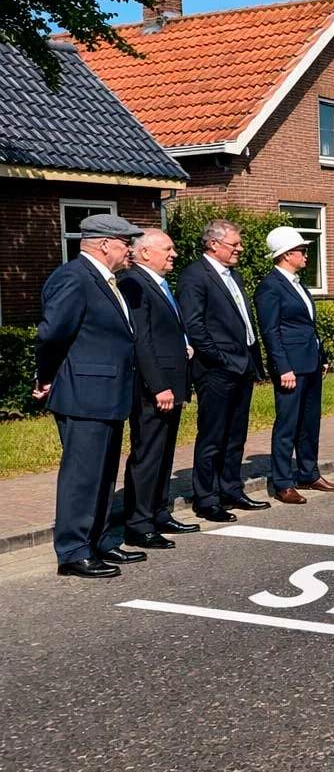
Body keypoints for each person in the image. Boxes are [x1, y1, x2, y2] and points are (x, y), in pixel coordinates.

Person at [33, 214, 146, 578]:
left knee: (102, 474)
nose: (130, 250)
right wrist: (45, 376)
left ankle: (96, 541)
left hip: (108, 392)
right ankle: (72, 551)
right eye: (125, 243)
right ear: (104, 244)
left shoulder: (109, 281)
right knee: (83, 476)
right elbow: (52, 335)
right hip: (84, 392)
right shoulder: (73, 277)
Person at [179, 219, 270, 523]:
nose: (240, 249)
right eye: (235, 244)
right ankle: (206, 498)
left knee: (235, 435)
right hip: (216, 370)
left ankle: (231, 488)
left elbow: (244, 320)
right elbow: (194, 325)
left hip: (242, 366)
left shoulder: (235, 276)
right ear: (214, 244)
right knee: (213, 436)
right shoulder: (195, 276)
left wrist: (251, 361)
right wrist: (221, 359)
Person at [116, 228, 198, 551]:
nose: (174, 253)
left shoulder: (159, 283)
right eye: (168, 248)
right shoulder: (134, 282)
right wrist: (159, 385)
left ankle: (158, 512)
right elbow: (142, 339)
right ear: (145, 252)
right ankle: (138, 523)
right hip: (155, 388)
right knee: (148, 453)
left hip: (172, 384)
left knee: (164, 453)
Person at [256, 226, 334, 505]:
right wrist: (282, 367)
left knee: (309, 422)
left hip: (311, 362)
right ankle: (282, 482)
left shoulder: (297, 284)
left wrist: (323, 356)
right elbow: (271, 332)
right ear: (286, 255)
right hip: (291, 367)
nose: (306, 255)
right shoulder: (270, 287)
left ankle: (308, 472)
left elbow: (308, 325)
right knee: (287, 424)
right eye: (302, 251)